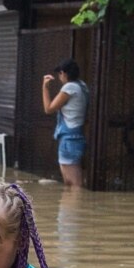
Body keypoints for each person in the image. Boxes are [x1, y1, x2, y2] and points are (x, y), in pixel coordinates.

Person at [42, 58, 89, 188]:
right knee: (73, 184)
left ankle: (73, 207)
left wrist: (45, 87)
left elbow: (49, 108)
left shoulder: (70, 87)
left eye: (60, 74)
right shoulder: (82, 86)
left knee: (73, 185)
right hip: (76, 137)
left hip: (69, 139)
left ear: (63, 73)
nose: (59, 77)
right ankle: (72, 206)